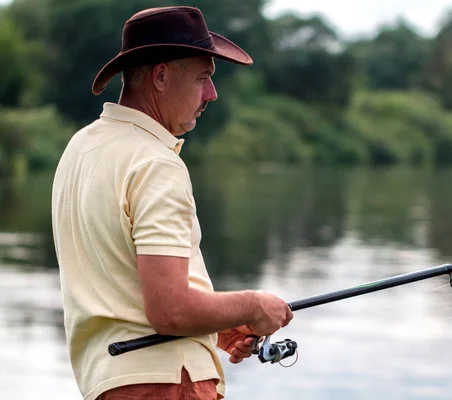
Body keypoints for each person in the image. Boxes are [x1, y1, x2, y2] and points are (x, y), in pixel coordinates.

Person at [51, 6, 293, 400]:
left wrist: (216, 324)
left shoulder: (80, 149)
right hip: (168, 384)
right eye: (203, 78)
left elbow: (129, 294)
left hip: (108, 384)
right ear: (161, 76)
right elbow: (170, 310)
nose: (212, 94)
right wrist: (251, 306)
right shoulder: (156, 162)